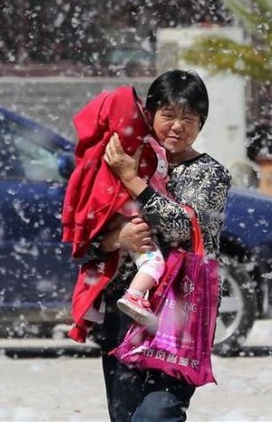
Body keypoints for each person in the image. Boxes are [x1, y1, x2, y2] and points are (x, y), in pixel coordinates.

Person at [91, 69, 232, 422]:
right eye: (168, 115)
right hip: (126, 307)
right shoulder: (130, 159)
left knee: (156, 415)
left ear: (201, 123)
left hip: (181, 311)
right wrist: (115, 239)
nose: (177, 126)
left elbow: (182, 226)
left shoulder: (211, 174)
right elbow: (90, 235)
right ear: (150, 115)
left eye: (189, 118)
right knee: (124, 415)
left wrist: (132, 180)